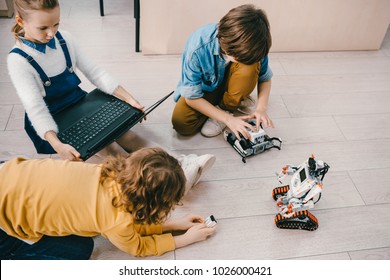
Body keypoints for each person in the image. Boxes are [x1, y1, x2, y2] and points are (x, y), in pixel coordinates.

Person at [7, 0, 215, 191]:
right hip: (53, 124)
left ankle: (182, 162)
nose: (52, 33)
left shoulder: (65, 40)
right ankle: (164, 184)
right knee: (112, 150)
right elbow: (36, 109)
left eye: (56, 24)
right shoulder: (18, 61)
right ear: (20, 21)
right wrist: (58, 145)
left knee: (127, 133)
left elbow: (96, 73)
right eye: (43, 28)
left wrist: (129, 99)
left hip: (79, 104)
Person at [0, 147, 217, 260]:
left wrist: (174, 225)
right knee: (80, 249)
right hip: (4, 225)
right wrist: (185, 240)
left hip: (7, 170)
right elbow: (138, 247)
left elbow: (127, 221)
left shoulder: (105, 171)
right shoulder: (117, 221)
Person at [172, 4, 274, 140]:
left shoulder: (255, 44)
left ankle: (228, 105)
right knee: (181, 123)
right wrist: (228, 120)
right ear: (227, 48)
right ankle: (232, 100)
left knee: (250, 67)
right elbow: (192, 98)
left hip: (231, 80)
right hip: (206, 88)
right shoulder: (198, 47)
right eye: (239, 59)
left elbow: (265, 78)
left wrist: (261, 108)